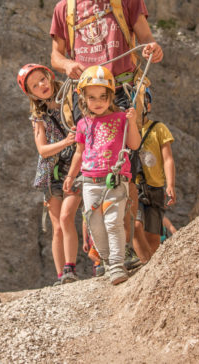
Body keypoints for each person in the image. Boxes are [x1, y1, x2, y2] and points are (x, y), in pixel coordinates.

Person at [49, 0, 165, 270]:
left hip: (124, 93)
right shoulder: (64, 8)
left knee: (124, 171)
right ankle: (106, 253)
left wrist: (152, 49)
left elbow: (146, 40)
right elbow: (55, 56)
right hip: (87, 100)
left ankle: (122, 249)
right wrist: (69, 64)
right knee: (94, 170)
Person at [64, 65, 140, 285]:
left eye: (102, 96)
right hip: (89, 181)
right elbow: (79, 152)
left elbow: (133, 144)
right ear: (84, 99)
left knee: (113, 221)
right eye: (92, 97)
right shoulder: (82, 124)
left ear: (111, 96)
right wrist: (70, 175)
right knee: (94, 224)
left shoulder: (121, 118)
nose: (97, 101)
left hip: (115, 178)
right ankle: (107, 261)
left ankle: (117, 264)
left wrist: (132, 122)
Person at [17, 63, 81, 285]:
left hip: (78, 162)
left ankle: (76, 266)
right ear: (31, 93)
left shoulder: (72, 96)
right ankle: (63, 274)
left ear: (49, 75)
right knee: (57, 225)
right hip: (53, 170)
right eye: (35, 86)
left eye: (42, 79)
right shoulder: (39, 116)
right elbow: (42, 150)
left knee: (69, 217)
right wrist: (65, 141)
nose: (41, 86)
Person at [132, 92, 176, 263]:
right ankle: (144, 262)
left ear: (148, 106)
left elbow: (168, 158)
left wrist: (170, 184)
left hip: (155, 188)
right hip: (135, 187)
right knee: (136, 226)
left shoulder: (159, 128)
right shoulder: (126, 130)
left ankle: (151, 266)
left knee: (153, 235)